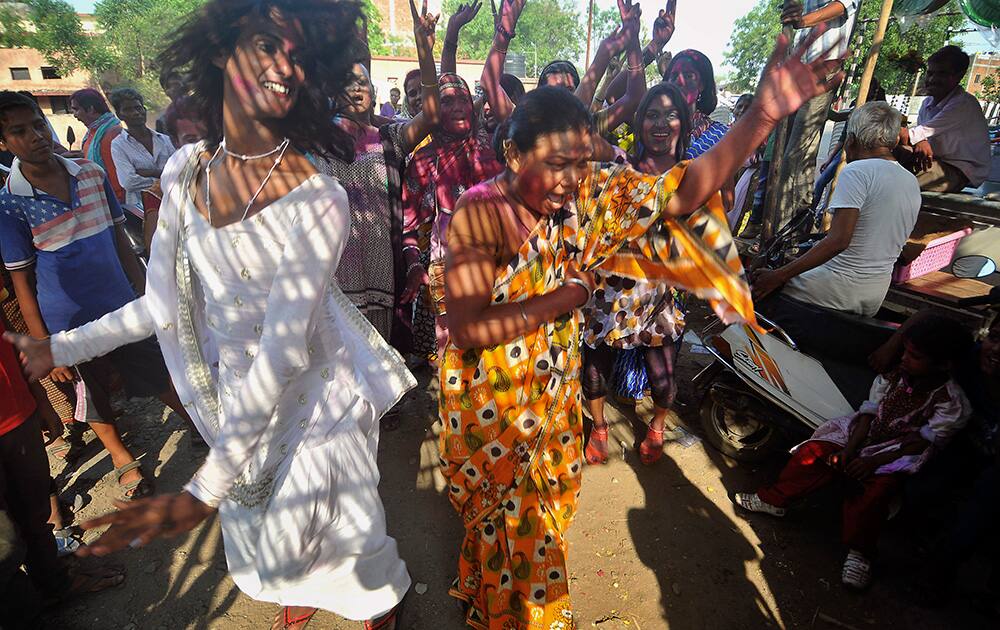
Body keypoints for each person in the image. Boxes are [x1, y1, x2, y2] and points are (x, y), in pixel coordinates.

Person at [4, 0, 417, 628]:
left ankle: (377, 611)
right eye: (267, 44)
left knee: (351, 544)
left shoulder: (320, 197)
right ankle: (298, 594)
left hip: (318, 408)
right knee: (274, 552)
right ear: (223, 49)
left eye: (300, 55)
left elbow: (284, 352)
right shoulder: (184, 171)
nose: (285, 66)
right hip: (236, 401)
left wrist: (201, 492)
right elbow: (161, 305)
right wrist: (57, 349)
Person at [438, 20, 845, 624]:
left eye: (580, 164)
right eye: (555, 164)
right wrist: (566, 299)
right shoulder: (479, 212)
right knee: (519, 529)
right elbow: (470, 327)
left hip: (548, 399)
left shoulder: (585, 199)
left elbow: (682, 191)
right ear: (512, 153)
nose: (570, 181)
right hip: (492, 407)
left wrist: (760, 117)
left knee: (536, 523)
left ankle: (493, 599)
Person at [0, 90, 193, 503]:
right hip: (66, 320)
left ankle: (199, 423)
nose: (34, 135)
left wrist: (146, 292)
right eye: (19, 131)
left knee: (157, 370)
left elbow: (120, 241)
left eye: (37, 124)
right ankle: (123, 458)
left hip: (121, 304)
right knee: (93, 393)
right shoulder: (9, 202)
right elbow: (22, 280)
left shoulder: (90, 174)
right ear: (3, 143)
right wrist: (45, 346)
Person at [734, 315, 973, 589]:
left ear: (944, 365)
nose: (904, 358)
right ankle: (775, 500)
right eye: (905, 351)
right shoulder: (894, 374)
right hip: (863, 433)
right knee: (813, 454)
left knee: (875, 492)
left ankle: (861, 553)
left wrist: (872, 461)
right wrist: (849, 449)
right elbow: (869, 414)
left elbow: (922, 441)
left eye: (915, 355)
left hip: (897, 452)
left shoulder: (952, 402)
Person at [321, 0, 439, 378]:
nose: (356, 90)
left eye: (363, 83)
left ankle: (382, 403)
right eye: (347, 83)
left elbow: (432, 113)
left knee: (382, 337)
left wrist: (425, 50)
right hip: (335, 263)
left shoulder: (389, 137)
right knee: (338, 344)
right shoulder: (315, 140)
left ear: (373, 91)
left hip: (382, 263)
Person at [582, 82, 694, 467]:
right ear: (639, 122)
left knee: (663, 383)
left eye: (670, 114)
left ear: (684, 121)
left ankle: (658, 426)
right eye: (651, 114)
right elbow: (583, 135)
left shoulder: (693, 174)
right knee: (594, 375)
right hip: (609, 292)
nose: (661, 123)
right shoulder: (622, 166)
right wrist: (632, 56)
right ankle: (599, 428)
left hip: (659, 297)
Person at [0, 316, 125, 628]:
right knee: (3, 547)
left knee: (35, 513)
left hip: (17, 413)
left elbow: (8, 334)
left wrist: (38, 397)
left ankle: (55, 584)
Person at [752, 102, 921, 318]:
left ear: (851, 140)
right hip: (874, 294)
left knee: (759, 286)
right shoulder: (910, 180)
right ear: (894, 140)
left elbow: (839, 241)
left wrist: (779, 275)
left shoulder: (857, 171)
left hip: (838, 289)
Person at [401, 73, 503, 362]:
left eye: (463, 99)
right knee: (452, 353)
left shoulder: (493, 153)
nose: (458, 106)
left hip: (495, 265)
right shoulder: (424, 161)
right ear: (434, 112)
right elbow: (408, 226)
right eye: (447, 101)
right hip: (445, 265)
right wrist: (412, 265)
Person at [767, 0, 858, 232]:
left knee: (796, 154)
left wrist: (801, 21)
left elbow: (842, 5)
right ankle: (785, 227)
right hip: (797, 69)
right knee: (783, 153)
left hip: (823, 69)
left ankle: (789, 231)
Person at [897, 45, 991, 192]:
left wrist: (916, 137)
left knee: (895, 182)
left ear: (959, 76)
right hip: (934, 161)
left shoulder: (963, 103)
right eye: (930, 73)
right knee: (887, 158)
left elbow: (913, 135)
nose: (933, 79)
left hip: (957, 170)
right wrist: (920, 139)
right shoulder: (927, 103)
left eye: (942, 74)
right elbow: (920, 138)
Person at [109, 88, 177, 214]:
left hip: (174, 204)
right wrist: (165, 177)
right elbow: (128, 182)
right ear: (119, 115)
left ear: (144, 110)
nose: (136, 113)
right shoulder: (118, 145)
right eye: (128, 109)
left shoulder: (165, 140)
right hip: (143, 209)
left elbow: (181, 172)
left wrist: (152, 172)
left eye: (138, 108)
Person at [71, 88, 125, 203]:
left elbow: (118, 176)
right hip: (101, 197)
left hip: (118, 201)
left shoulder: (113, 133)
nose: (75, 115)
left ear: (90, 109)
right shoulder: (92, 133)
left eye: (76, 109)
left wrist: (118, 204)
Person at [154, 68, 188, 135]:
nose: (182, 86)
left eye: (184, 83)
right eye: (176, 84)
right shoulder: (162, 122)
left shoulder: (204, 109)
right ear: (166, 91)